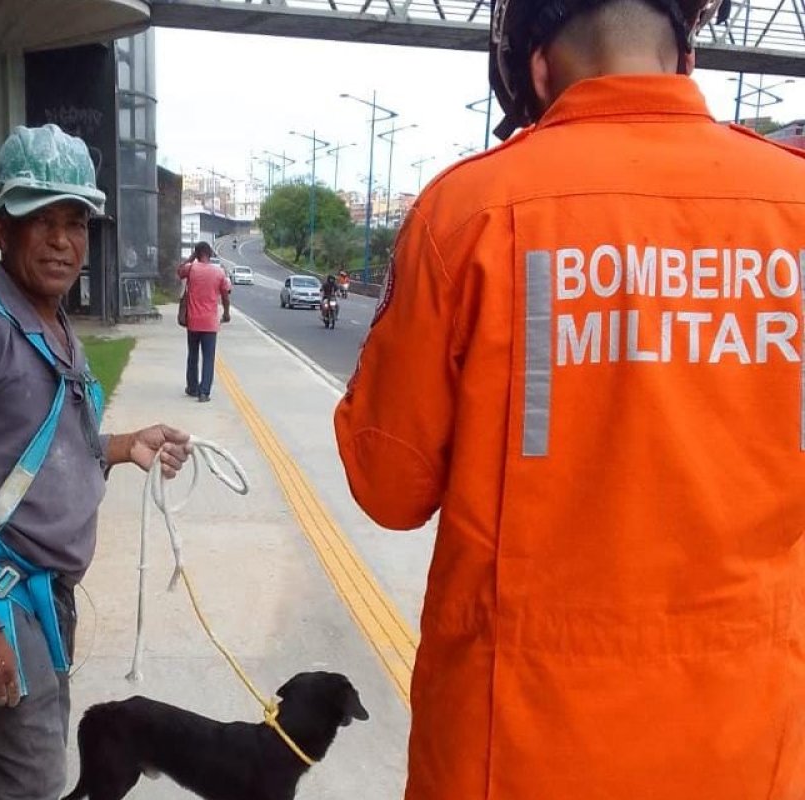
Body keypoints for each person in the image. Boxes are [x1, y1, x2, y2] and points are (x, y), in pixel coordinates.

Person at [335, 0, 805, 798]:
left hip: (515, 743)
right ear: (686, 58)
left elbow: (390, 487)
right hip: (749, 740)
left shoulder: (470, 210)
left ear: (539, 69)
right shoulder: (791, 207)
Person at [0, 124, 191, 800]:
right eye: (41, 221)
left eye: (75, 223)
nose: (62, 240)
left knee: (33, 762)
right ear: (2, 231)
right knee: (32, 777)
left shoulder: (52, 322)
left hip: (43, 595)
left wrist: (123, 447)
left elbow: (44, 444)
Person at [177, 242, 231, 402]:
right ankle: (204, 392)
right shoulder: (219, 272)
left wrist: (191, 258)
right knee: (208, 357)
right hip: (210, 323)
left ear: (197, 253)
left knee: (192, 355)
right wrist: (226, 313)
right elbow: (226, 295)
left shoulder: (191, 269)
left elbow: (179, 271)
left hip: (193, 321)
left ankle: (192, 387)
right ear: (211, 254)